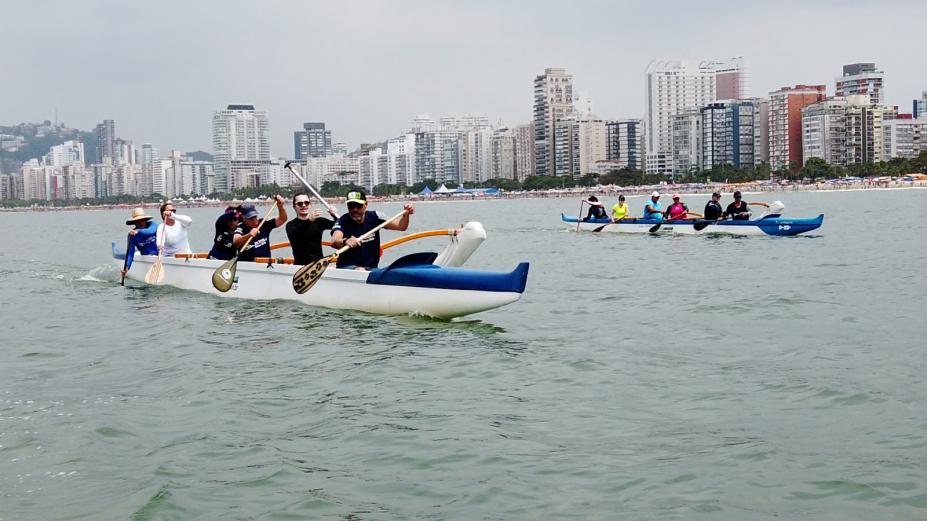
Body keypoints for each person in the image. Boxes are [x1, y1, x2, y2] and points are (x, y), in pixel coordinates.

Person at [330, 190, 414, 270]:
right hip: (347, 268)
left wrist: (406, 214)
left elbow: (401, 226)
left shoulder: (376, 216)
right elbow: (334, 241)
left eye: (358, 206)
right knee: (360, 270)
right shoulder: (342, 220)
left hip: (372, 269)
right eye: (351, 206)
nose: (355, 209)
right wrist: (346, 241)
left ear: (366, 204)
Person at [285, 192, 339, 265]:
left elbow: (339, 226)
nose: (304, 205)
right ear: (294, 207)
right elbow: (295, 234)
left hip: (319, 265)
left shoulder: (319, 221)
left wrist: (334, 215)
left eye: (306, 203)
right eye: (300, 203)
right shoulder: (290, 225)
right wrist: (309, 220)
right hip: (301, 266)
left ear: (310, 205)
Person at [233, 196, 288, 262]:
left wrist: (280, 207)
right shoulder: (240, 227)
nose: (254, 220)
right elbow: (236, 242)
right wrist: (249, 235)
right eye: (250, 218)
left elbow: (282, 219)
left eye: (255, 217)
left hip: (266, 264)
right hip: (248, 265)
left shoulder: (263, 223)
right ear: (243, 218)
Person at [121, 207, 158, 277]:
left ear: (145, 220)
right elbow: (130, 254)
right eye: (137, 221)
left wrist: (138, 231)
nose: (140, 223)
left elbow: (150, 232)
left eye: (142, 220)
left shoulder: (153, 225)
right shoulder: (132, 235)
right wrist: (126, 267)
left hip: (161, 255)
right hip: (146, 258)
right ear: (134, 222)